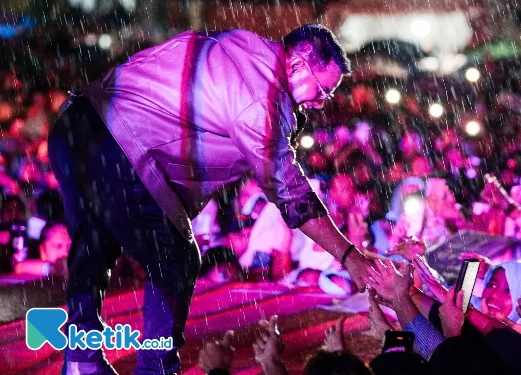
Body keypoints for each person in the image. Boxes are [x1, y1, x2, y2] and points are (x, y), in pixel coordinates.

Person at [48, 24, 374, 375]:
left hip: (75, 125)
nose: (322, 102)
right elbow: (289, 191)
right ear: (295, 65)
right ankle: (154, 370)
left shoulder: (242, 44)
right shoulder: (261, 96)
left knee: (94, 247)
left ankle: (82, 360)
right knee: (176, 260)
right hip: (119, 146)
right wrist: (348, 255)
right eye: (323, 90)